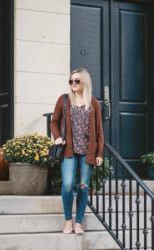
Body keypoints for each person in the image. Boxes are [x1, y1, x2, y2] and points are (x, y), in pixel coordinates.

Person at [50, 68, 104, 235]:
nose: (73, 84)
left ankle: (78, 222)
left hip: (87, 152)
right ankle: (68, 220)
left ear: (85, 82)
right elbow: (54, 122)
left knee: (83, 186)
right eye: (71, 81)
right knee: (67, 185)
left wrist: (99, 153)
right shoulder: (64, 100)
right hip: (69, 151)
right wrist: (57, 137)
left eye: (77, 81)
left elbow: (100, 131)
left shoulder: (94, 103)